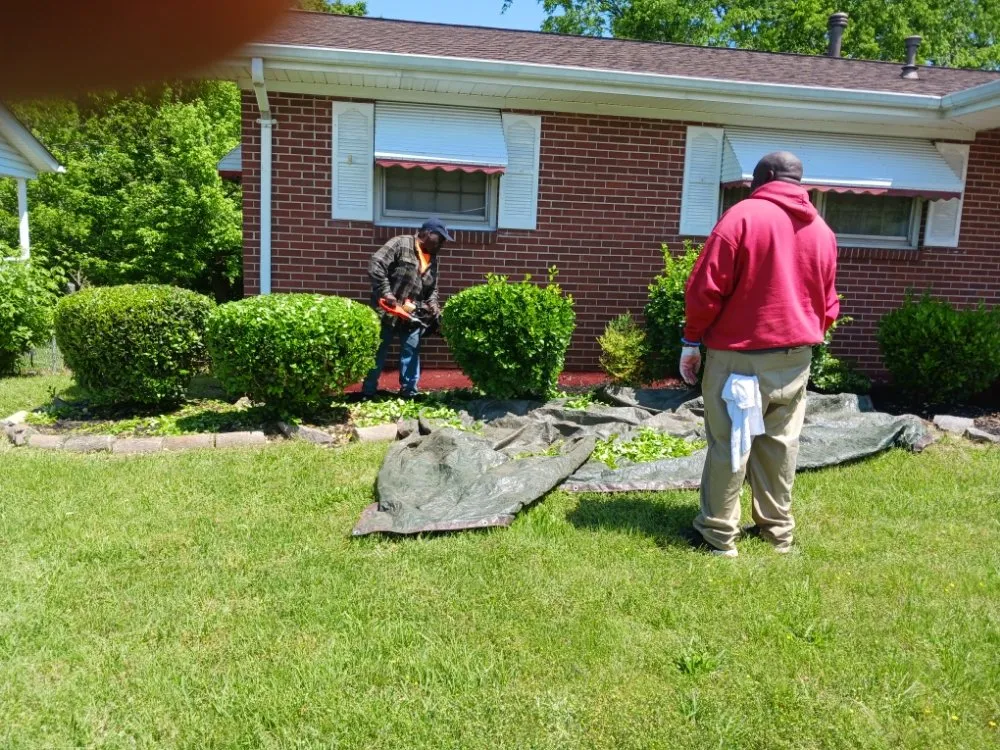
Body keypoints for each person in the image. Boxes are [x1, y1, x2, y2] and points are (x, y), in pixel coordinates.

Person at [680, 151, 839, 557]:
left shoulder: (742, 217)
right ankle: (778, 535)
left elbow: (704, 290)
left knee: (732, 444)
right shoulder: (822, 229)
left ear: (764, 177)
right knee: (780, 447)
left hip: (741, 358)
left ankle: (718, 536)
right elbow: (829, 303)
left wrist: (691, 341)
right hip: (796, 359)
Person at [361, 218, 452, 399]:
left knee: (411, 351)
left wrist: (433, 306)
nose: (441, 243)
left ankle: (409, 393)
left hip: (412, 315)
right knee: (378, 351)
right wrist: (387, 293)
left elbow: (432, 288)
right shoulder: (400, 243)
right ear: (426, 234)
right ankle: (368, 393)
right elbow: (376, 264)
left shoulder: (432, 258)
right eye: (439, 239)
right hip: (386, 311)